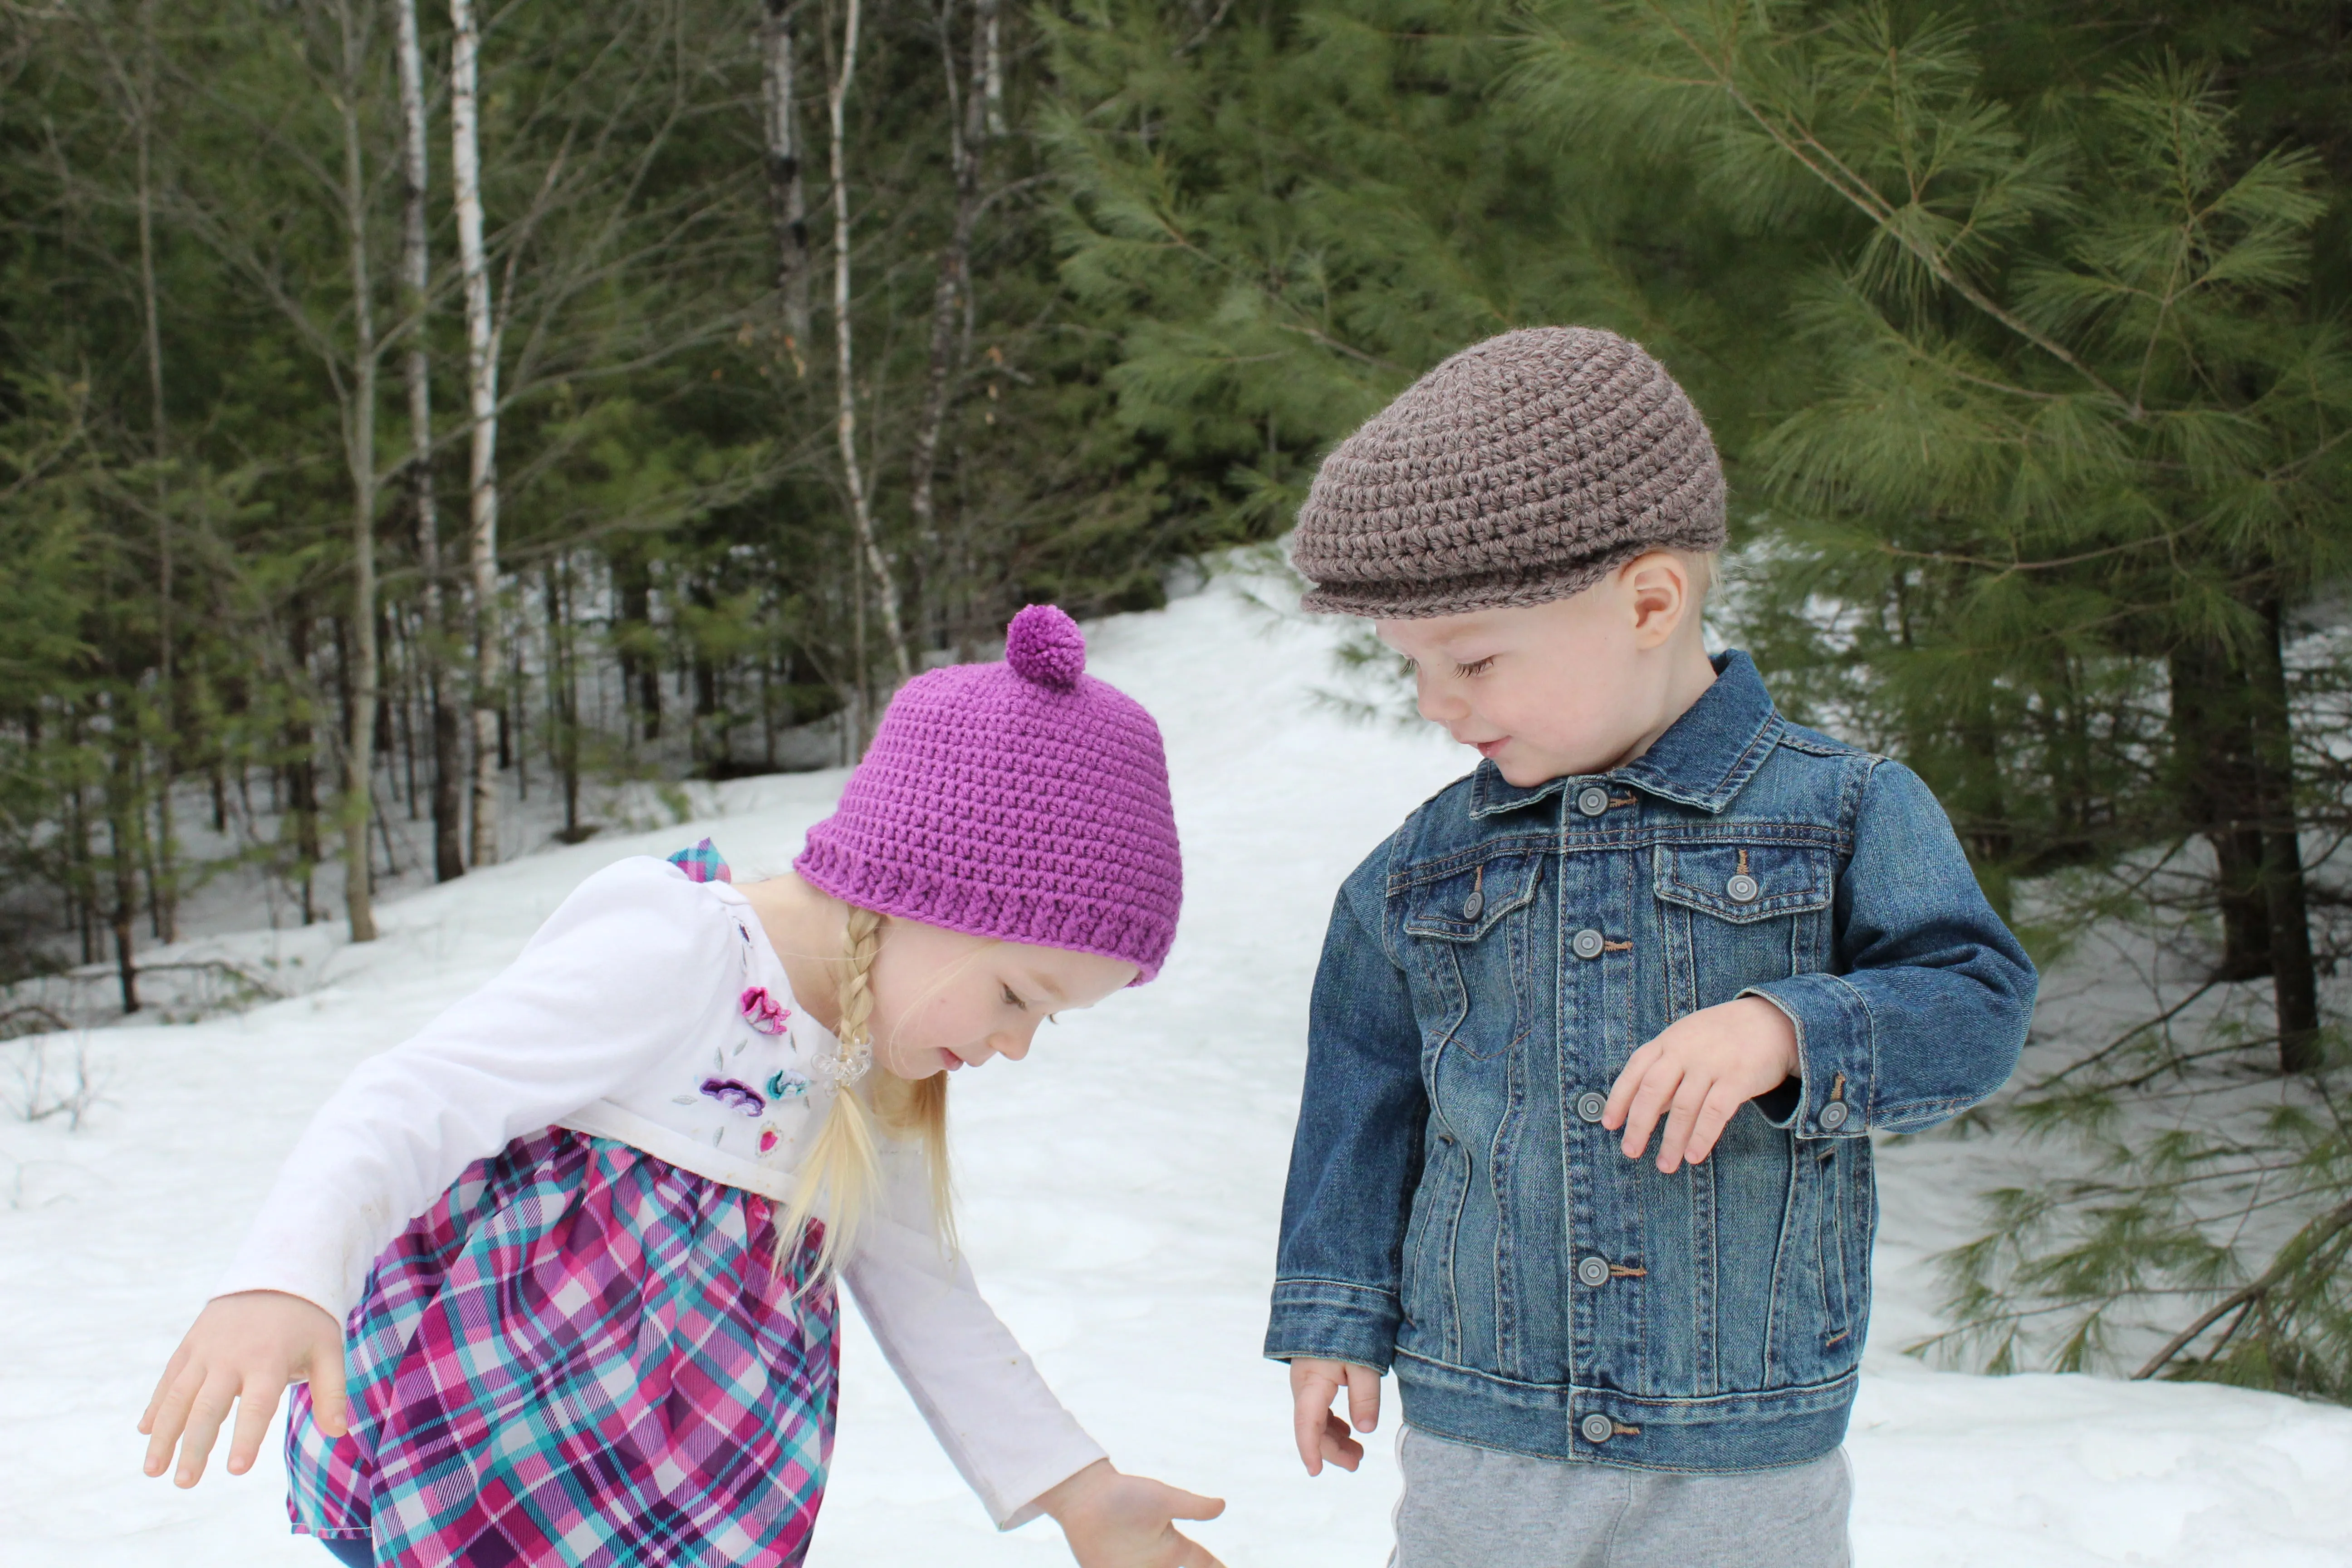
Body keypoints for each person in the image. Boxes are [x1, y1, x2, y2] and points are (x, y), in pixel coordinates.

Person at [139, 605, 1225, 1568]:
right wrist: (284, 1279)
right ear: (922, 893)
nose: (1017, 1045)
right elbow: (424, 1095)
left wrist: (1080, 1492)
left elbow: (928, 1295)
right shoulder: (680, 947)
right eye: (1018, 996)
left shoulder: (860, 1068)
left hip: (675, 1501)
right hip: (500, 1453)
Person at [1266, 328, 2038, 1568]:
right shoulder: (1421, 870)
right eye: (1408, 666)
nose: (1436, 703)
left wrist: (1791, 1027)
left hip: (1742, 1434)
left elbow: (1978, 1004)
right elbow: (1363, 1096)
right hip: (1489, 1423)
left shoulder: (1843, 811)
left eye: (1470, 659)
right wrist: (1333, 1317)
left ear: (1649, 600)